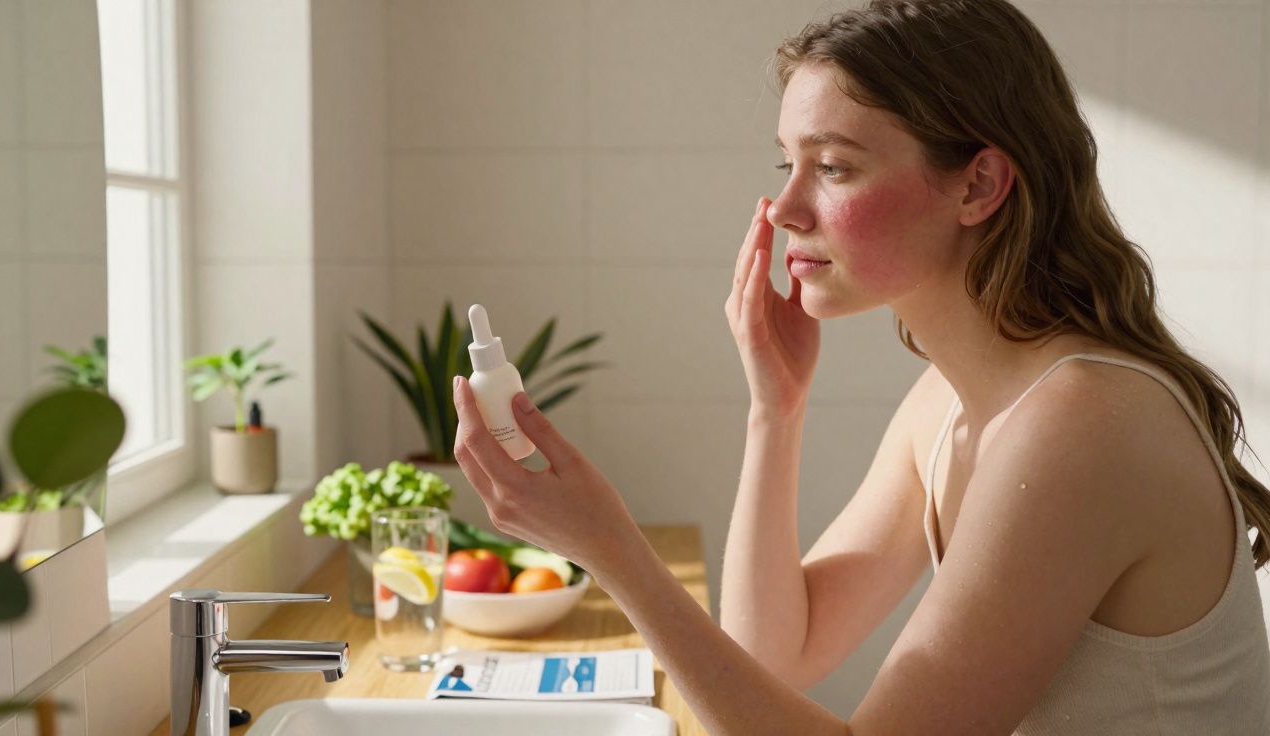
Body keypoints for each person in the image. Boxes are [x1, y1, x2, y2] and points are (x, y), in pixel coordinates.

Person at [451, 0, 1270, 732]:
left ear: (978, 184)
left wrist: (613, 551)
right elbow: (778, 652)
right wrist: (776, 409)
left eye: (833, 166)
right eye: (787, 164)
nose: (785, 207)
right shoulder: (949, 401)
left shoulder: (1080, 425)